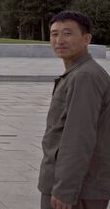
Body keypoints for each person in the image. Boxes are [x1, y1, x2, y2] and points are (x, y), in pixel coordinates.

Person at [38, 11, 110, 209]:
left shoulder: (85, 76)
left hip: (77, 189)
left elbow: (79, 136)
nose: (59, 40)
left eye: (67, 33)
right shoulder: (78, 72)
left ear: (86, 39)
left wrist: (65, 190)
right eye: (54, 34)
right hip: (74, 184)